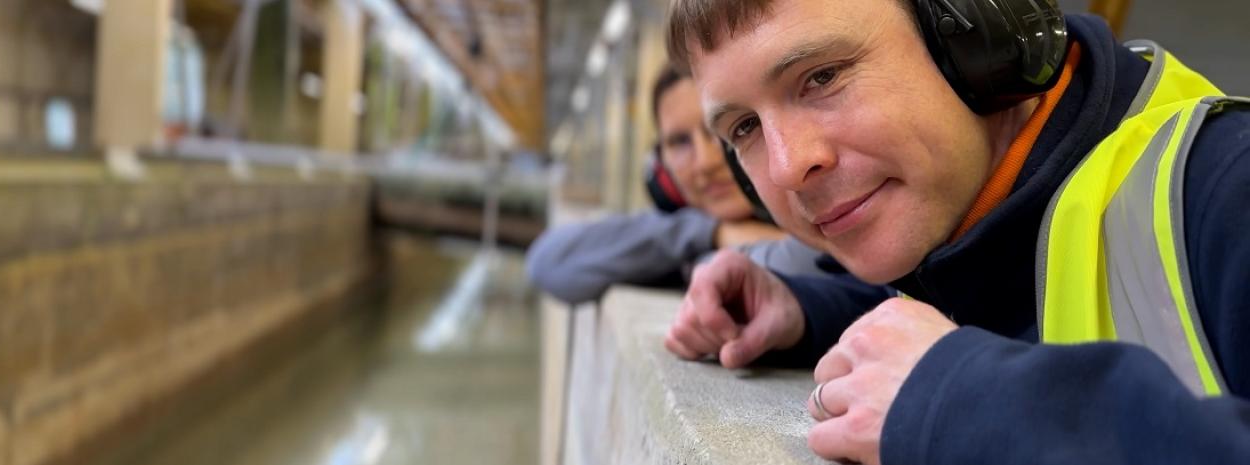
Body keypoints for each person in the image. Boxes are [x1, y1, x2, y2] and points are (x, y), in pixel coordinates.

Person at [660, 0, 1250, 463]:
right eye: (745, 127)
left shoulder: (1228, 186)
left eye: (822, 77)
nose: (787, 167)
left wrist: (964, 402)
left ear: (976, 39)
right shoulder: (968, 210)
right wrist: (808, 310)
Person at [527, 66, 868, 305]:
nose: (705, 162)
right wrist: (711, 234)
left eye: (724, 132)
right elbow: (549, 261)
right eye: (679, 142)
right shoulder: (682, 233)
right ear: (660, 167)